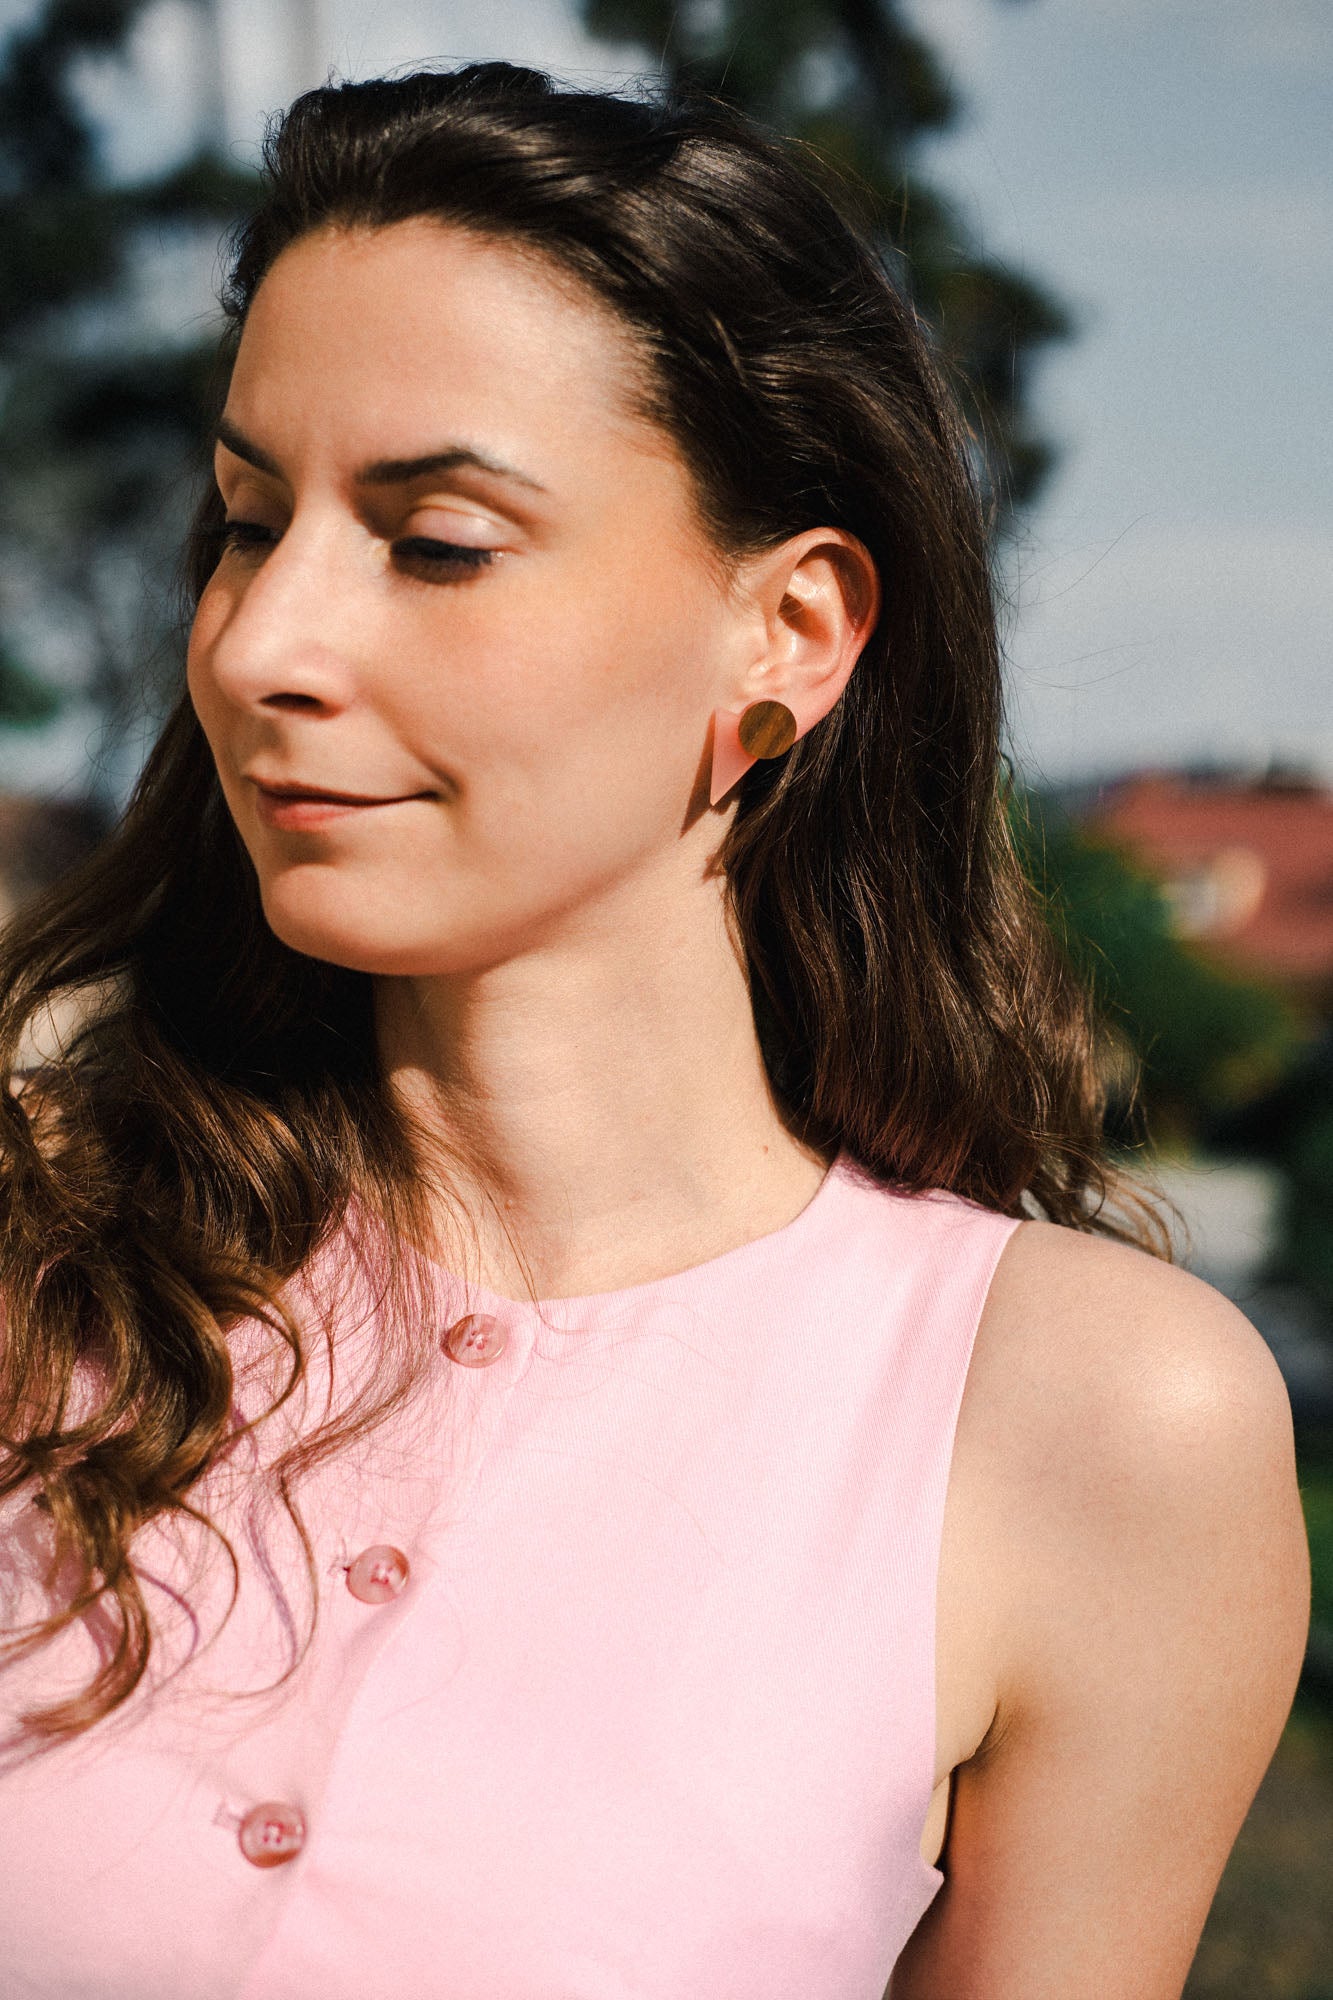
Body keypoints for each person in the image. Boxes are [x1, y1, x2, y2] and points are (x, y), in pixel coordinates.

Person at [0, 61, 1309, 2000]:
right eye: (249, 522)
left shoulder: (1089, 1426)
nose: (262, 643)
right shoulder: (39, 1258)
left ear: (789, 634)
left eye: (438, 541)